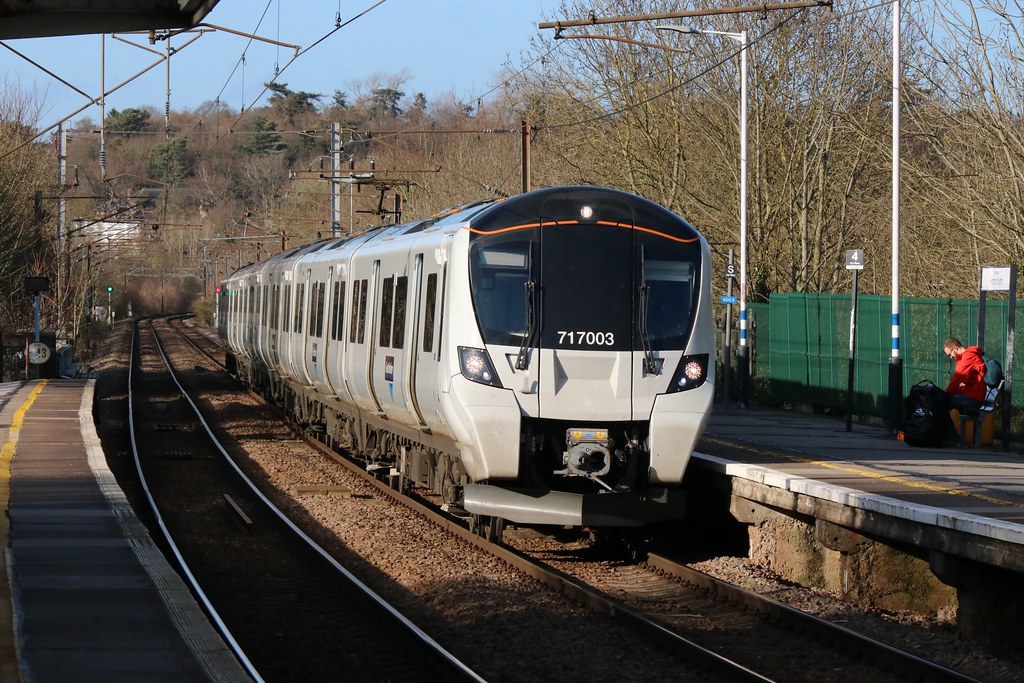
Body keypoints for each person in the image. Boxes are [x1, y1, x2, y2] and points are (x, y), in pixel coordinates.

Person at [943, 338, 987, 411]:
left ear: (955, 348)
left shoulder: (968, 356)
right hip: (970, 393)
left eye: (949, 354)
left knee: (942, 403)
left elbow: (957, 377)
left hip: (974, 397)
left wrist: (946, 393)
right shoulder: (963, 357)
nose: (950, 357)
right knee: (944, 401)